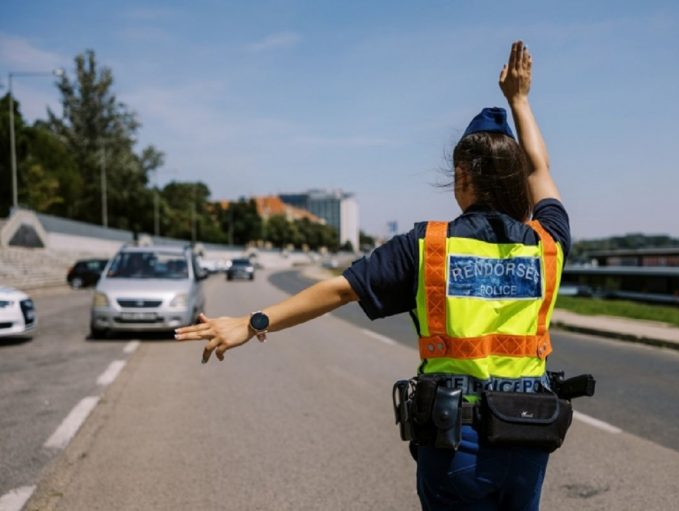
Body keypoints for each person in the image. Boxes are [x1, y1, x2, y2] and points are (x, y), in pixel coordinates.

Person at [175, 40, 569, 511]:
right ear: (515, 176)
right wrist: (520, 101)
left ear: (462, 175)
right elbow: (542, 167)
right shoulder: (548, 244)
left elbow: (341, 289)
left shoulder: (429, 247)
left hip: (455, 443)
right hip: (528, 436)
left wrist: (252, 321)